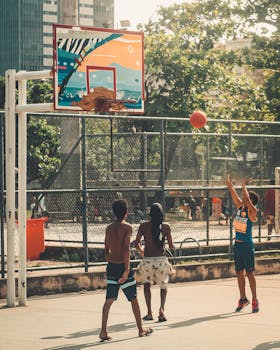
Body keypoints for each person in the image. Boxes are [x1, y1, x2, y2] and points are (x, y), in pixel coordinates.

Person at [99, 199, 153, 341]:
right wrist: (126, 270)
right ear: (126, 212)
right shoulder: (127, 227)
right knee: (133, 299)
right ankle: (141, 330)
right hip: (123, 266)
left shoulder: (108, 228)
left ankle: (103, 331)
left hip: (112, 266)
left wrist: (110, 262)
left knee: (109, 299)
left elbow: (106, 249)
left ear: (113, 212)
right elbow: (126, 248)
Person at [135, 202, 175, 322]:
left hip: (147, 260)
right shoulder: (166, 227)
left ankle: (149, 313)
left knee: (147, 285)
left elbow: (136, 243)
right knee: (163, 286)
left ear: (150, 214)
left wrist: (142, 251)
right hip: (161, 260)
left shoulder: (144, 226)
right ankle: (161, 310)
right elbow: (172, 246)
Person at [226, 175, 260, 313]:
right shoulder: (240, 207)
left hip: (247, 246)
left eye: (248, 198)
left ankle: (255, 300)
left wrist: (244, 184)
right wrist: (229, 183)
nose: (245, 199)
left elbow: (245, 198)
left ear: (251, 201)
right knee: (239, 272)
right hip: (238, 245)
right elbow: (234, 193)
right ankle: (243, 299)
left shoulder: (253, 212)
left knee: (250, 273)